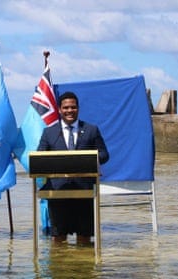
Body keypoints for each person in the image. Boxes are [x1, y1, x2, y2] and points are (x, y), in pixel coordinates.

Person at [37, 91, 109, 244]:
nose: (70, 111)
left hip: (84, 191)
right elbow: (40, 157)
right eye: (66, 108)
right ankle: (60, 267)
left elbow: (104, 154)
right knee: (58, 238)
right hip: (57, 192)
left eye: (73, 107)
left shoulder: (91, 130)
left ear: (78, 108)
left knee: (84, 238)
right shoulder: (49, 133)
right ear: (59, 109)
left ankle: (82, 267)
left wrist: (92, 160)